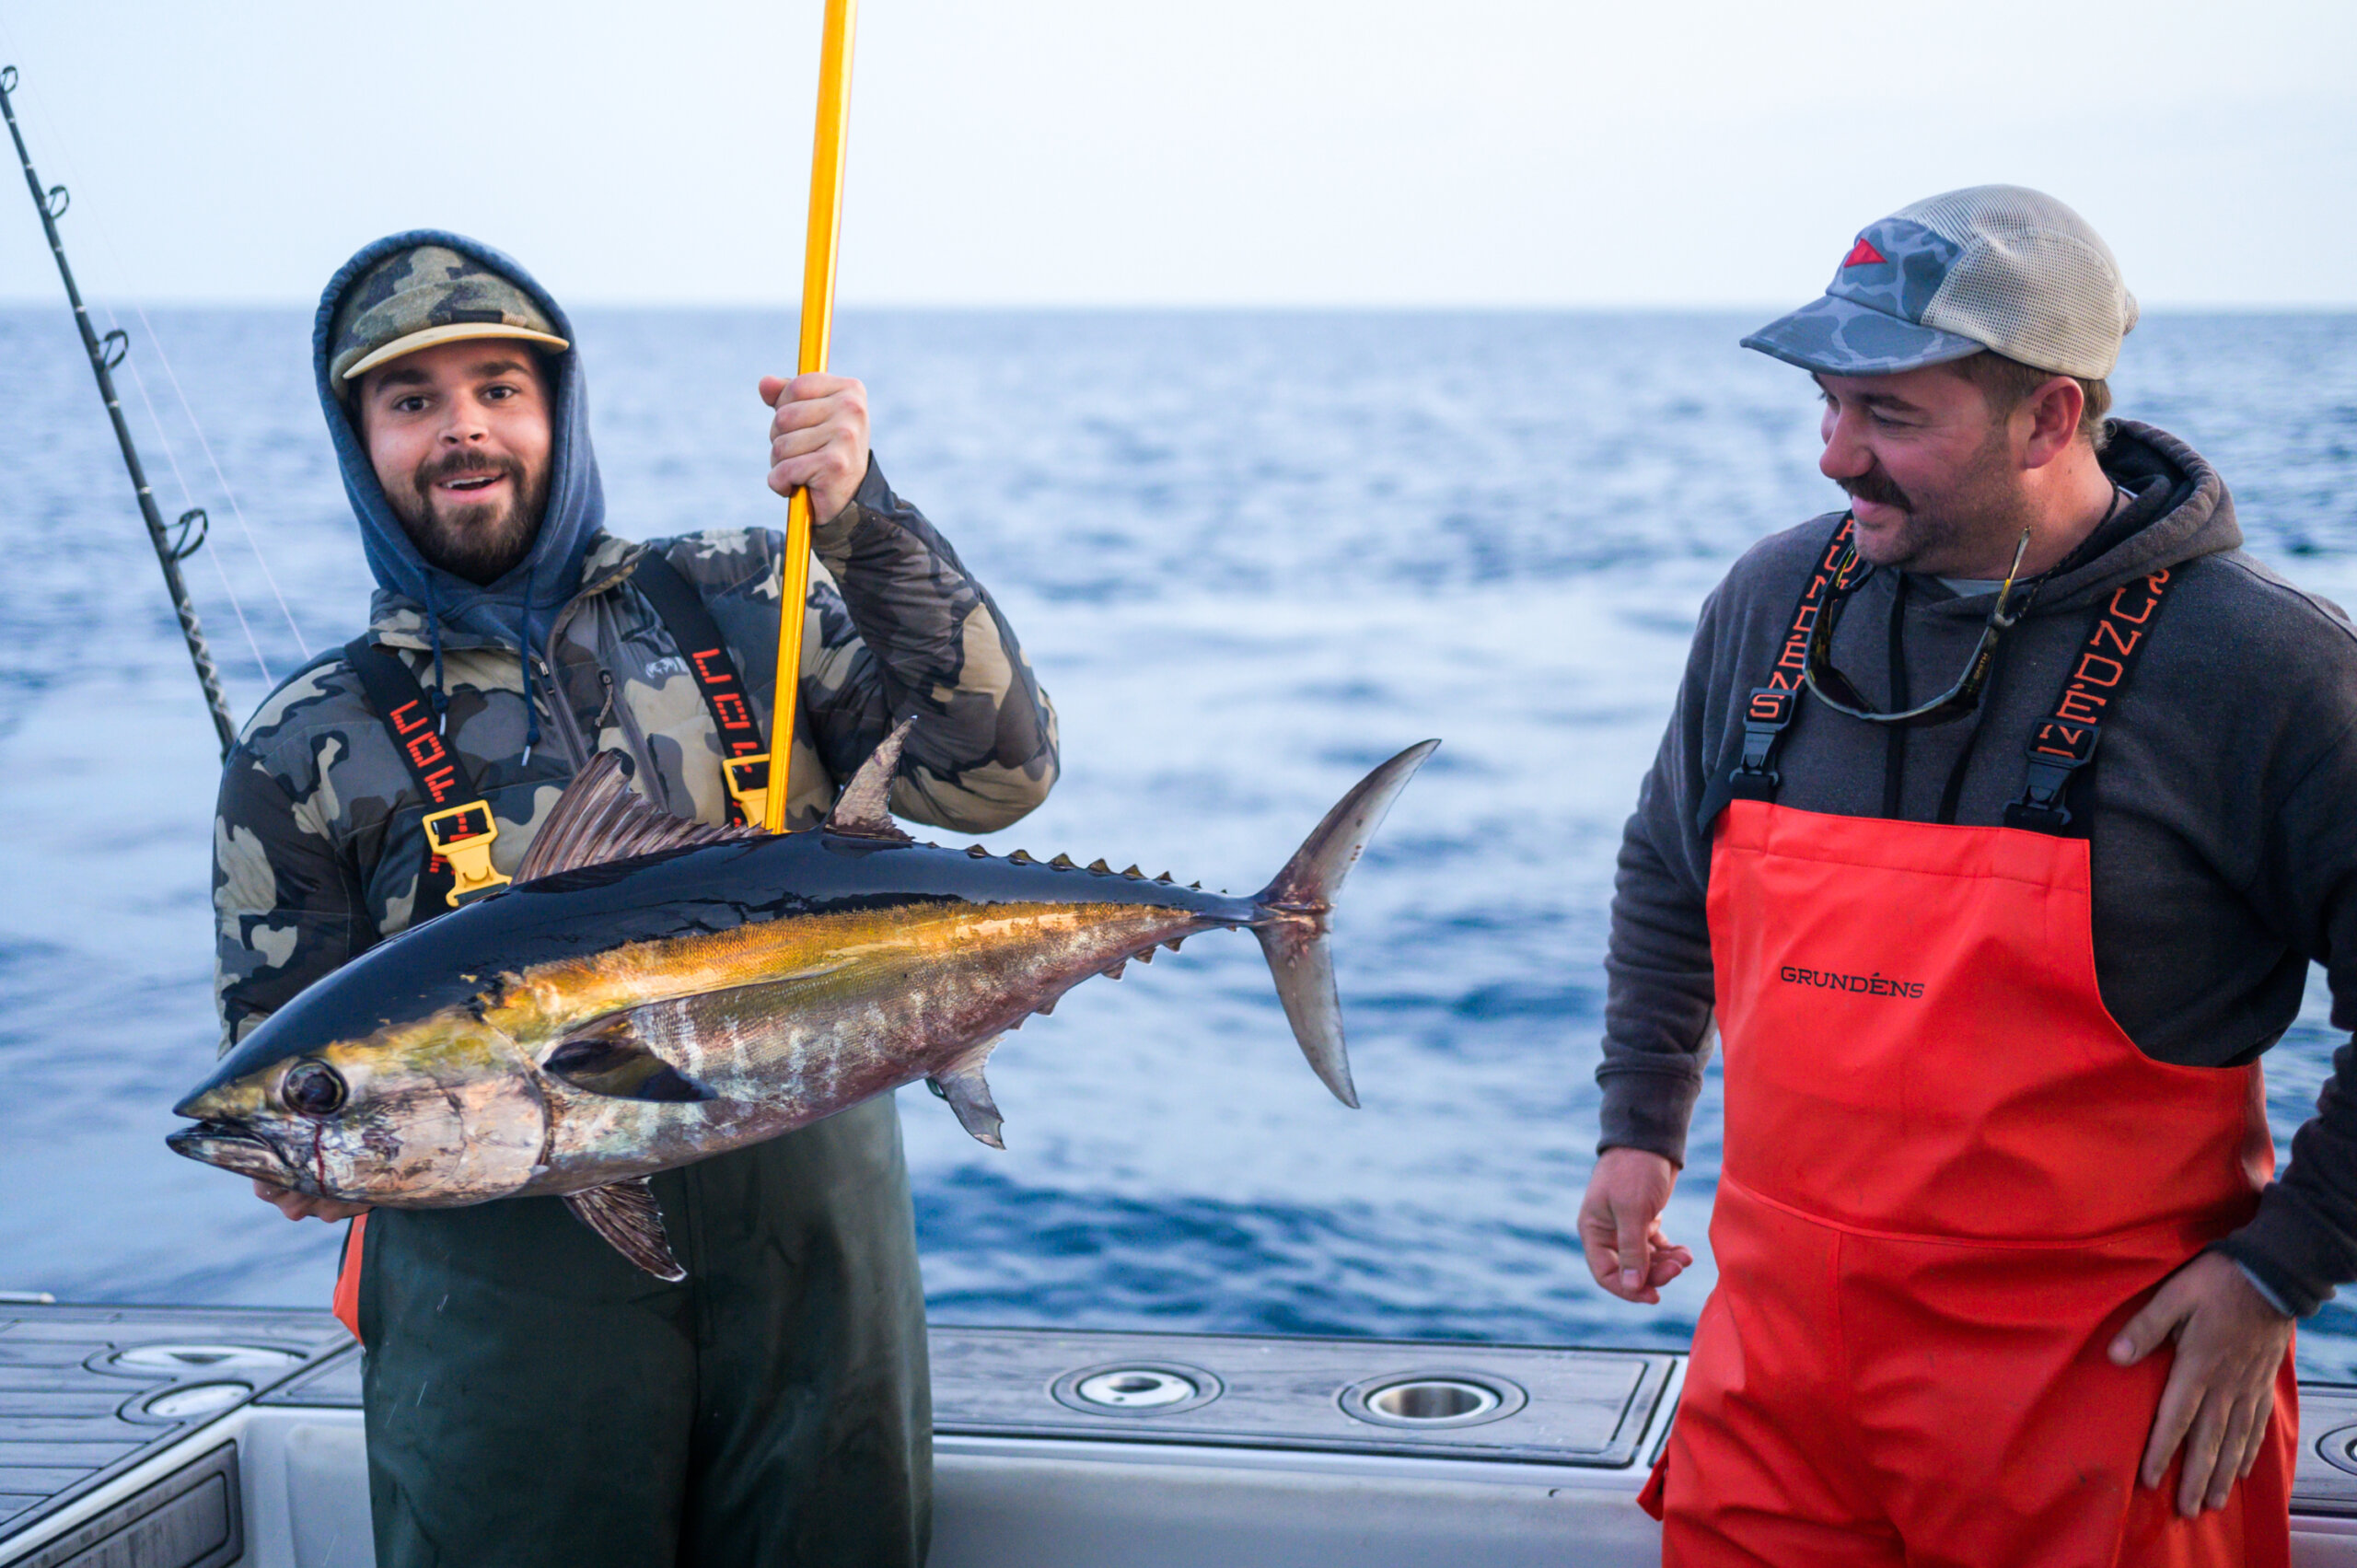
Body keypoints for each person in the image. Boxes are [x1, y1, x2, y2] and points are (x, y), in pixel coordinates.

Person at [212, 231, 1061, 1567]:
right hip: (504, 1348)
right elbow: (276, 1060)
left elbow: (1004, 774)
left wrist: (862, 517)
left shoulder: (745, 594)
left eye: (499, 386)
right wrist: (306, 1163)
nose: (463, 430)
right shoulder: (306, 743)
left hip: (814, 1294)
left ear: (559, 405)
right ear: (358, 438)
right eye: (411, 400)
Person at [1577, 185, 2357, 1566]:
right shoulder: (1769, 601)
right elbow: (1664, 864)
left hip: (2097, 1407)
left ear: (2052, 419)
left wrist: (2276, 1272)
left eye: (1891, 416)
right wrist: (1641, 1122)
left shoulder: (2268, 670)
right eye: (1828, 404)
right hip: (1775, 1391)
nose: (1834, 457)